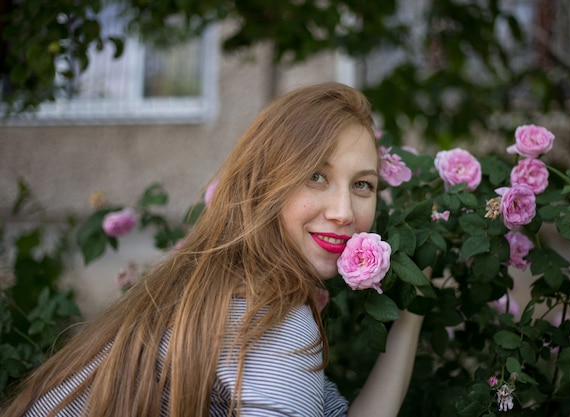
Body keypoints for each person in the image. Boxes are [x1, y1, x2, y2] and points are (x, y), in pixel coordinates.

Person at [2, 82, 427, 417]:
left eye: (362, 185)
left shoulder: (216, 283)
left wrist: (412, 312)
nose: (343, 212)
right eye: (316, 176)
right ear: (265, 183)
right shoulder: (268, 313)